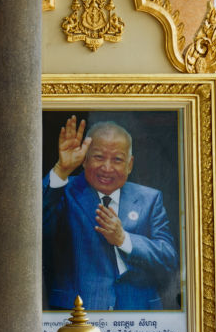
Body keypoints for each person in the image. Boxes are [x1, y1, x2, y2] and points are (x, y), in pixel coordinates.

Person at [43, 117, 177, 310]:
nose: (107, 168)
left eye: (117, 159)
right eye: (98, 157)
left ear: (129, 165)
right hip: (78, 313)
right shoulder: (63, 191)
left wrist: (124, 239)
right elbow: (35, 224)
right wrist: (60, 170)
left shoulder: (149, 199)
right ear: (84, 159)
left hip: (137, 314)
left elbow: (168, 259)